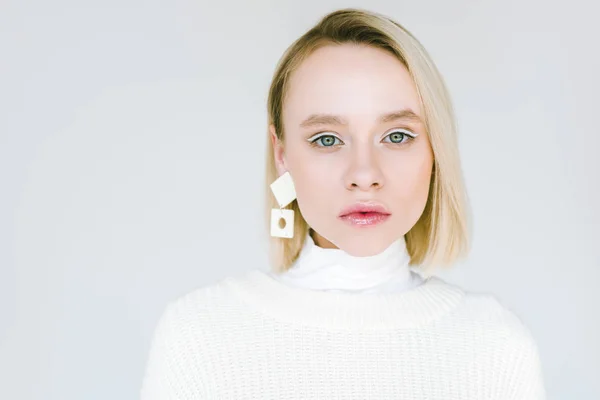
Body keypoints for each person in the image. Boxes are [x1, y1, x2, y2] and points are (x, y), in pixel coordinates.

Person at [140, 8, 546, 399]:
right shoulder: (200, 335)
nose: (365, 173)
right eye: (327, 139)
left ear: (435, 149)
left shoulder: (494, 345)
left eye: (398, 136)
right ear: (282, 155)